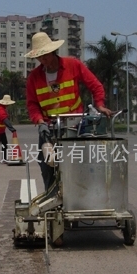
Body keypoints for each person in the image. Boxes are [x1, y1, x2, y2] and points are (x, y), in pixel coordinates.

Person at [24, 32, 113, 190]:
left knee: (80, 163)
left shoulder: (73, 65)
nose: (43, 60)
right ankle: (52, 198)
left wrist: (99, 105)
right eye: (39, 57)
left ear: (53, 52)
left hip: (75, 125)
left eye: (45, 55)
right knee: (47, 164)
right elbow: (32, 104)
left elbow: (95, 85)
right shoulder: (34, 77)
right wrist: (39, 122)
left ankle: (82, 196)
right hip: (49, 128)